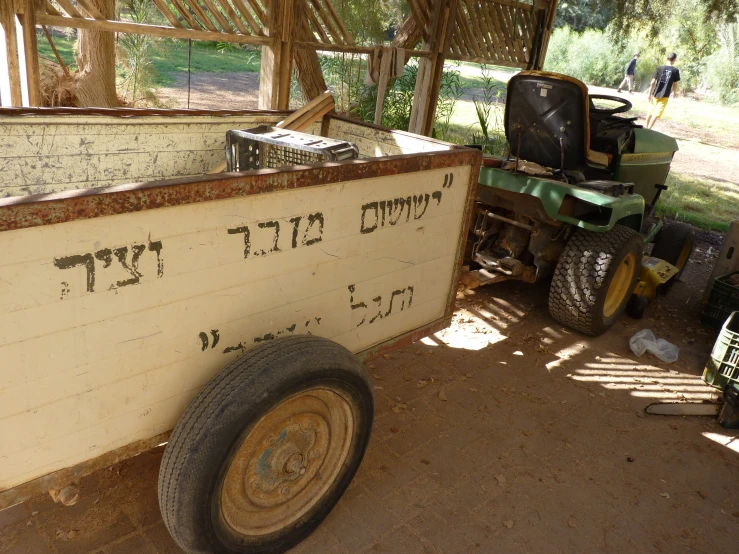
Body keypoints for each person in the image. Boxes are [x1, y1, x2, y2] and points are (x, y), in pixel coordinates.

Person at [645, 52, 681, 130]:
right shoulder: (675, 71)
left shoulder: (659, 68)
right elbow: (675, 84)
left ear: (667, 58)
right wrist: (674, 93)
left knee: (650, 111)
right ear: (674, 60)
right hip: (665, 95)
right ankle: (649, 129)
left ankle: (645, 128)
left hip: (655, 94)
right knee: (656, 113)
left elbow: (652, 83)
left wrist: (649, 94)